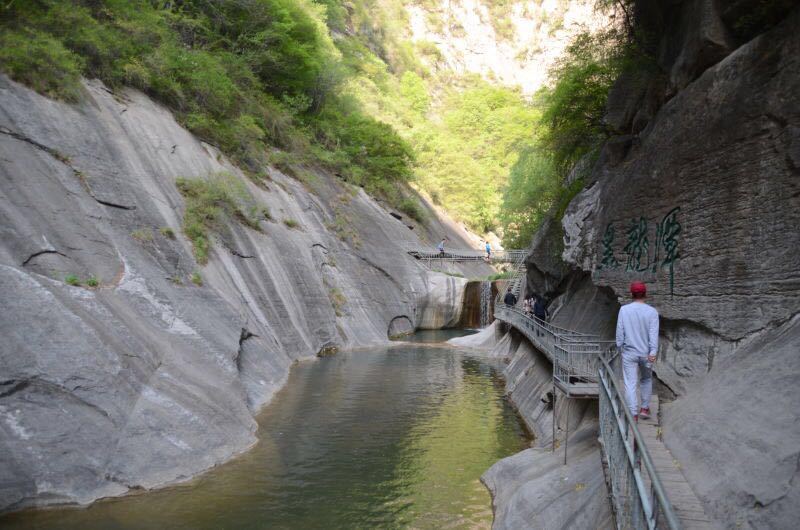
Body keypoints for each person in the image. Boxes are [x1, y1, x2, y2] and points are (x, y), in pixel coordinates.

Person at [615, 281, 659, 421]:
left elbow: (620, 331)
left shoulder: (624, 310)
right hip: (646, 353)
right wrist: (653, 352)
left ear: (632, 294)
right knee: (646, 379)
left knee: (630, 383)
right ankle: (644, 409)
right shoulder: (652, 312)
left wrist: (619, 345)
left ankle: (633, 414)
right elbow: (653, 334)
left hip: (629, 353)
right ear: (645, 294)